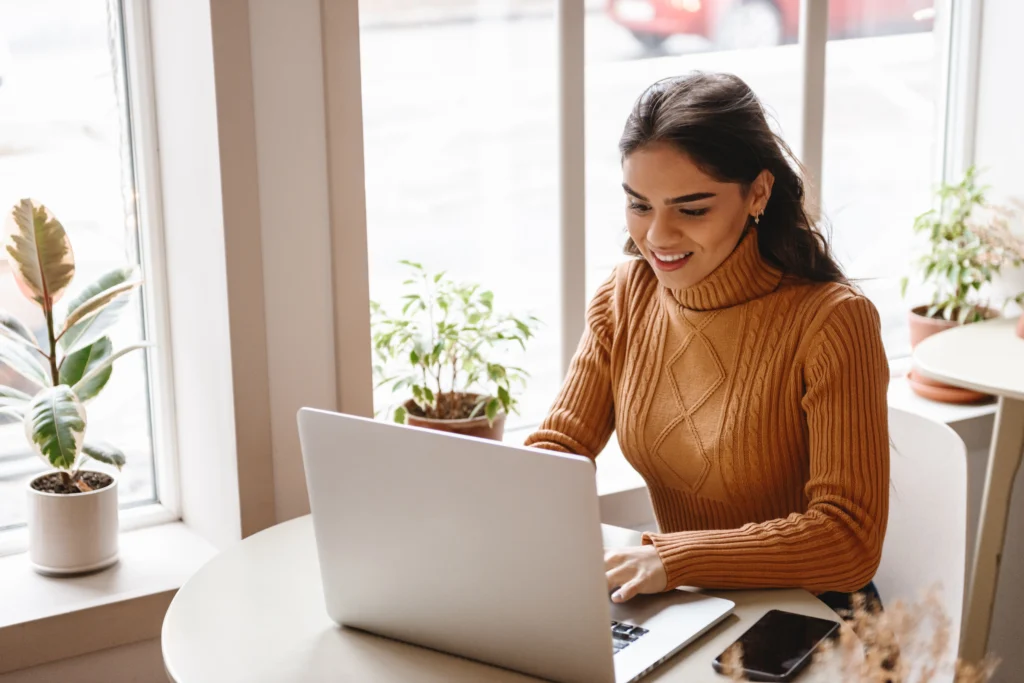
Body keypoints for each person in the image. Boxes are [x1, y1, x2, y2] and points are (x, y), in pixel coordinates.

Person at [525, 72, 889, 615]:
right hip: (692, 605)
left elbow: (847, 541)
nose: (657, 238)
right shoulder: (626, 296)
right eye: (640, 205)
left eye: (692, 209)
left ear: (758, 193)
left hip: (811, 622)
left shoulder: (833, 323)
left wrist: (674, 560)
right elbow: (561, 447)